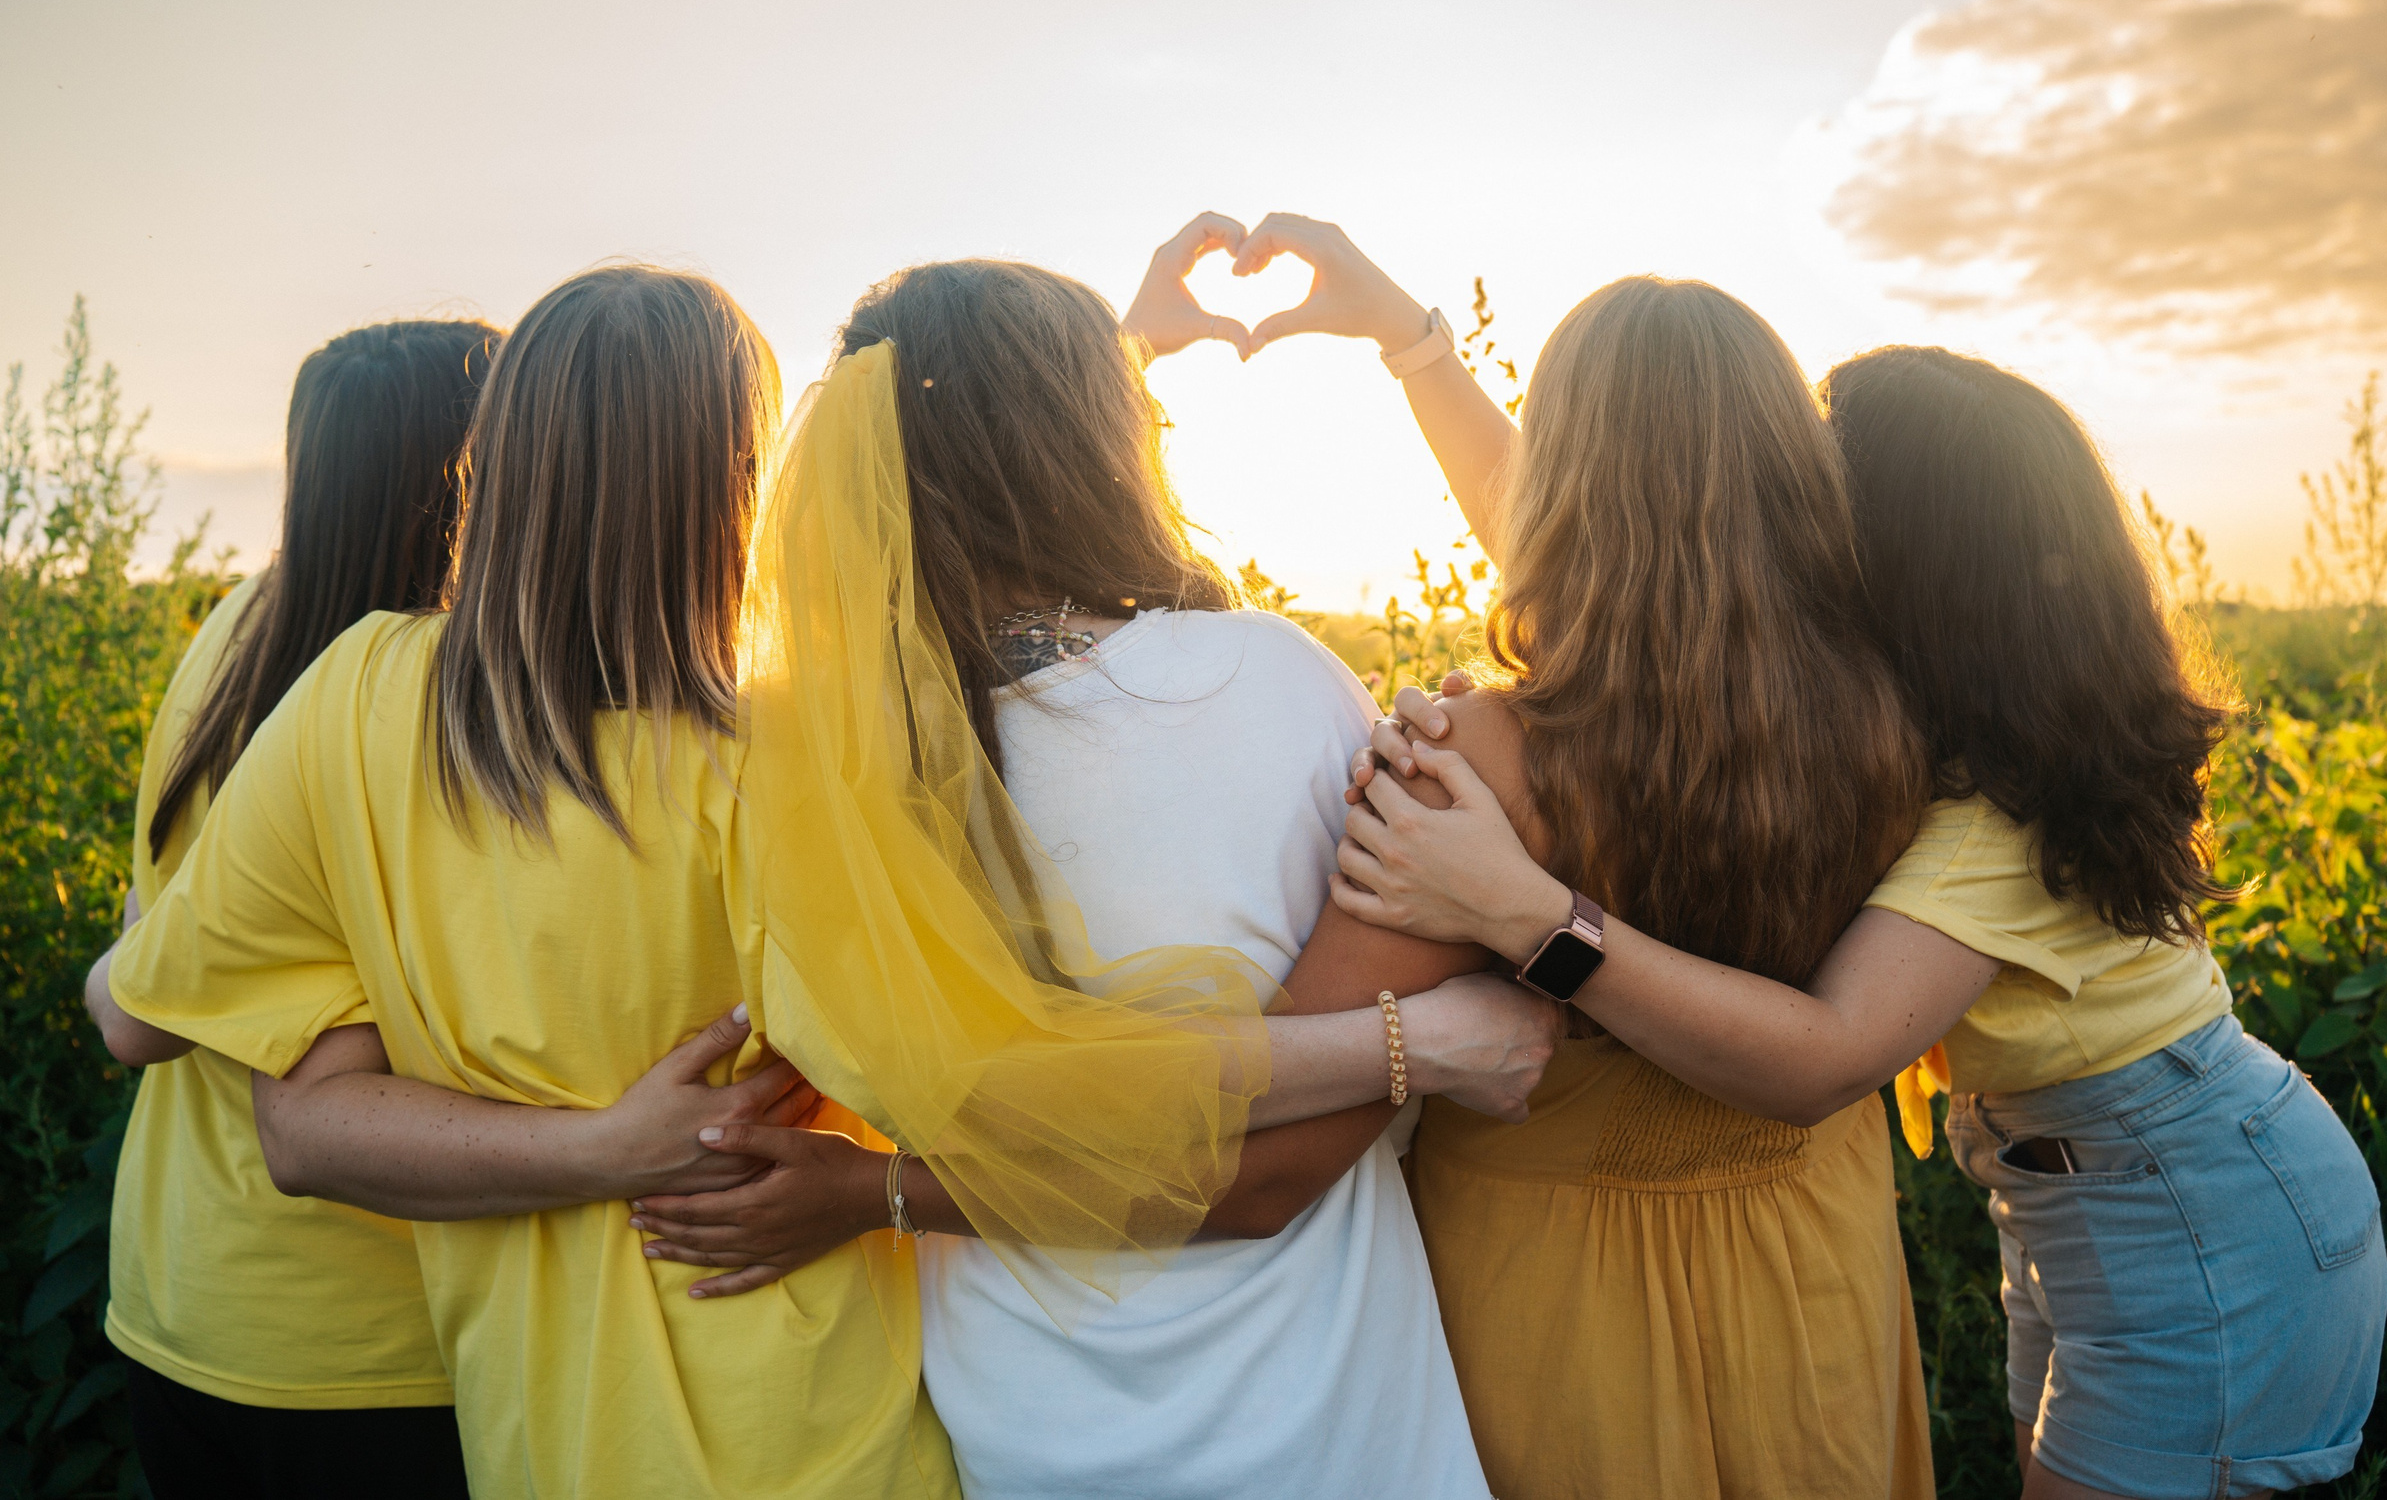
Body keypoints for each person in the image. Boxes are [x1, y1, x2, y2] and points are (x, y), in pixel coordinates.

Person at [92, 255, 1549, 1498]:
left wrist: (603, 1147)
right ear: (742, 468)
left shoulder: (352, 692)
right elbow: (1029, 1088)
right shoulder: (777, 765)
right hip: (823, 1417)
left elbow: (231, 1077)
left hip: (547, 1431)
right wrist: (1407, 1040)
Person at [1352, 342, 2387, 1499]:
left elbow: (1823, 1059)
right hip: (2108, 1189)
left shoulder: (1988, 823)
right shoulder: (1954, 731)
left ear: (1896, 553)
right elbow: (1624, 548)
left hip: (2190, 1212)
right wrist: (1413, 345)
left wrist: (1529, 912)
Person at [623, 238, 1539, 1498]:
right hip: (1314, 1401)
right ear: (1106, 441)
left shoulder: (816, 771)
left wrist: (876, 1192)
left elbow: (1002, 1103)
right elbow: (1264, 1179)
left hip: (1028, 1415)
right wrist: (1419, 1043)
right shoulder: (1270, 681)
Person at [1216, 217, 1941, 1497]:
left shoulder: (1487, 769)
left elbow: (1271, 1134)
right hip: (1813, 1264)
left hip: (1559, 1296)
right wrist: (1412, 344)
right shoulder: (1894, 713)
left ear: (1563, 485)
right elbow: (1672, 576)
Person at [86, 320, 490, 1498]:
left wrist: (119, 969)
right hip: (376, 1346)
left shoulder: (234, 633)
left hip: (187, 1300)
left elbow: (156, 972)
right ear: (481, 467)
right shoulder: (425, 697)